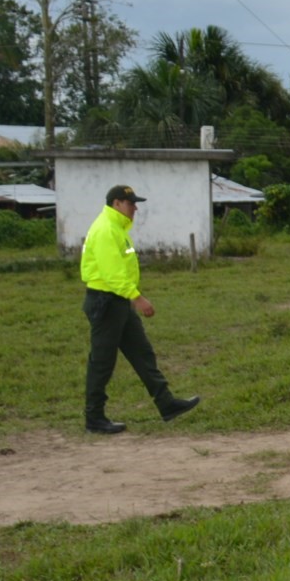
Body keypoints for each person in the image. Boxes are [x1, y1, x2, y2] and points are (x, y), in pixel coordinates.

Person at [80, 184, 200, 436]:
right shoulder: (106, 229)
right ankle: (94, 417)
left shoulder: (117, 228)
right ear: (116, 203)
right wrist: (137, 298)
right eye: (130, 203)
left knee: (142, 353)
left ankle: (166, 403)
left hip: (118, 301)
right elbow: (112, 274)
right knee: (102, 361)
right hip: (106, 301)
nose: (135, 208)